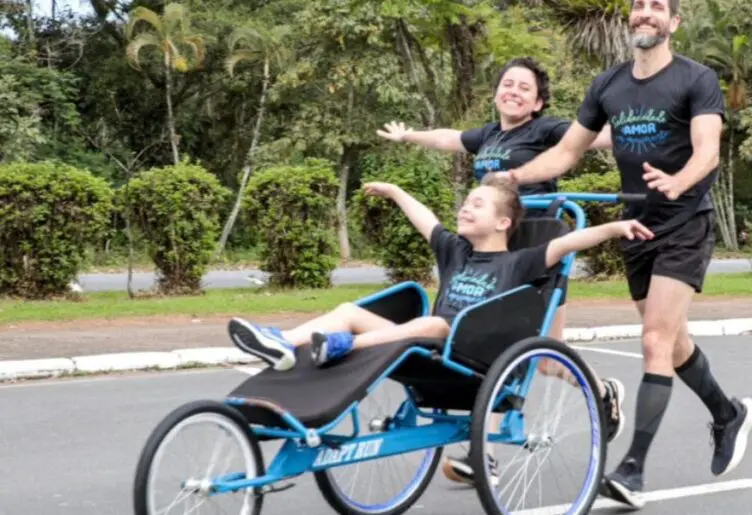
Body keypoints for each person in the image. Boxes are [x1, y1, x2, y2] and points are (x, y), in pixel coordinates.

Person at [495, 0, 752, 508]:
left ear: (673, 22)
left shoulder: (696, 78)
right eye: (639, 5)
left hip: (685, 222)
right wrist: (513, 177)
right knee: (674, 344)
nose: (645, 12)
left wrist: (679, 182)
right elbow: (567, 152)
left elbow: (707, 150)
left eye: (657, 6)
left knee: (655, 340)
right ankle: (728, 415)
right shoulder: (608, 85)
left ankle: (632, 471)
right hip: (637, 227)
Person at [226, 173, 641, 485]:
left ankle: (343, 344)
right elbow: (423, 218)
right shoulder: (455, 252)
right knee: (349, 308)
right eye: (466, 202)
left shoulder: (520, 262)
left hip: (472, 357)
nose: (465, 208)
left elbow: (568, 244)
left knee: (436, 322)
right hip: (427, 349)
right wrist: (395, 191)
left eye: (477, 204)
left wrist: (615, 228)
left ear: (502, 222)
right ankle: (282, 343)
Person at [375, 56, 613, 344]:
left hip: (532, 237)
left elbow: (589, 137)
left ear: (537, 103)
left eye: (524, 88)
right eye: (507, 84)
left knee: (548, 346)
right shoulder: (490, 134)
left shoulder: (545, 129)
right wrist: (408, 136)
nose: (513, 91)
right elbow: (447, 139)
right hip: (490, 239)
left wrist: (635, 128)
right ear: (496, 93)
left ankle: (578, 375)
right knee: (482, 328)